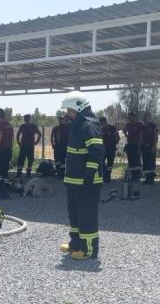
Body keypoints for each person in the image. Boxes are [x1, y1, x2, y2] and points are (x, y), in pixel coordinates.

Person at [60, 91, 104, 260]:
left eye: (69, 110)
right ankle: (76, 244)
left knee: (87, 216)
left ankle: (89, 250)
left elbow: (97, 152)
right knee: (75, 214)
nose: (67, 113)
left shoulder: (89, 125)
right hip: (73, 180)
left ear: (79, 106)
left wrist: (88, 176)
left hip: (86, 182)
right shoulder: (77, 124)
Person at [123, 112, 144, 181]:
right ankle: (132, 174)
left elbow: (142, 135)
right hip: (130, 145)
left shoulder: (139, 124)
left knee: (137, 160)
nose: (129, 118)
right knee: (131, 160)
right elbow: (124, 130)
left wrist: (139, 145)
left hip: (137, 144)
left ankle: (138, 175)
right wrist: (127, 136)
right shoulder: (128, 125)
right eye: (128, 117)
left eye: (130, 117)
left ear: (134, 117)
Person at [99, 117, 120, 182]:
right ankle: (104, 175)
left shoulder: (112, 128)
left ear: (104, 121)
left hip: (111, 149)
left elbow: (118, 137)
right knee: (101, 162)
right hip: (103, 149)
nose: (101, 124)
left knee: (110, 164)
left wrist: (114, 143)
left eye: (101, 123)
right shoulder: (100, 130)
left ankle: (108, 176)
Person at [141, 112, 158, 185]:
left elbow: (156, 136)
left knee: (151, 163)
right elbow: (141, 137)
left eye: (146, 117)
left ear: (149, 118)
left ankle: (151, 179)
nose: (144, 118)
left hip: (151, 146)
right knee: (145, 163)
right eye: (143, 117)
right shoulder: (143, 127)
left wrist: (154, 146)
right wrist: (140, 147)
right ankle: (147, 178)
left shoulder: (153, 125)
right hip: (144, 147)